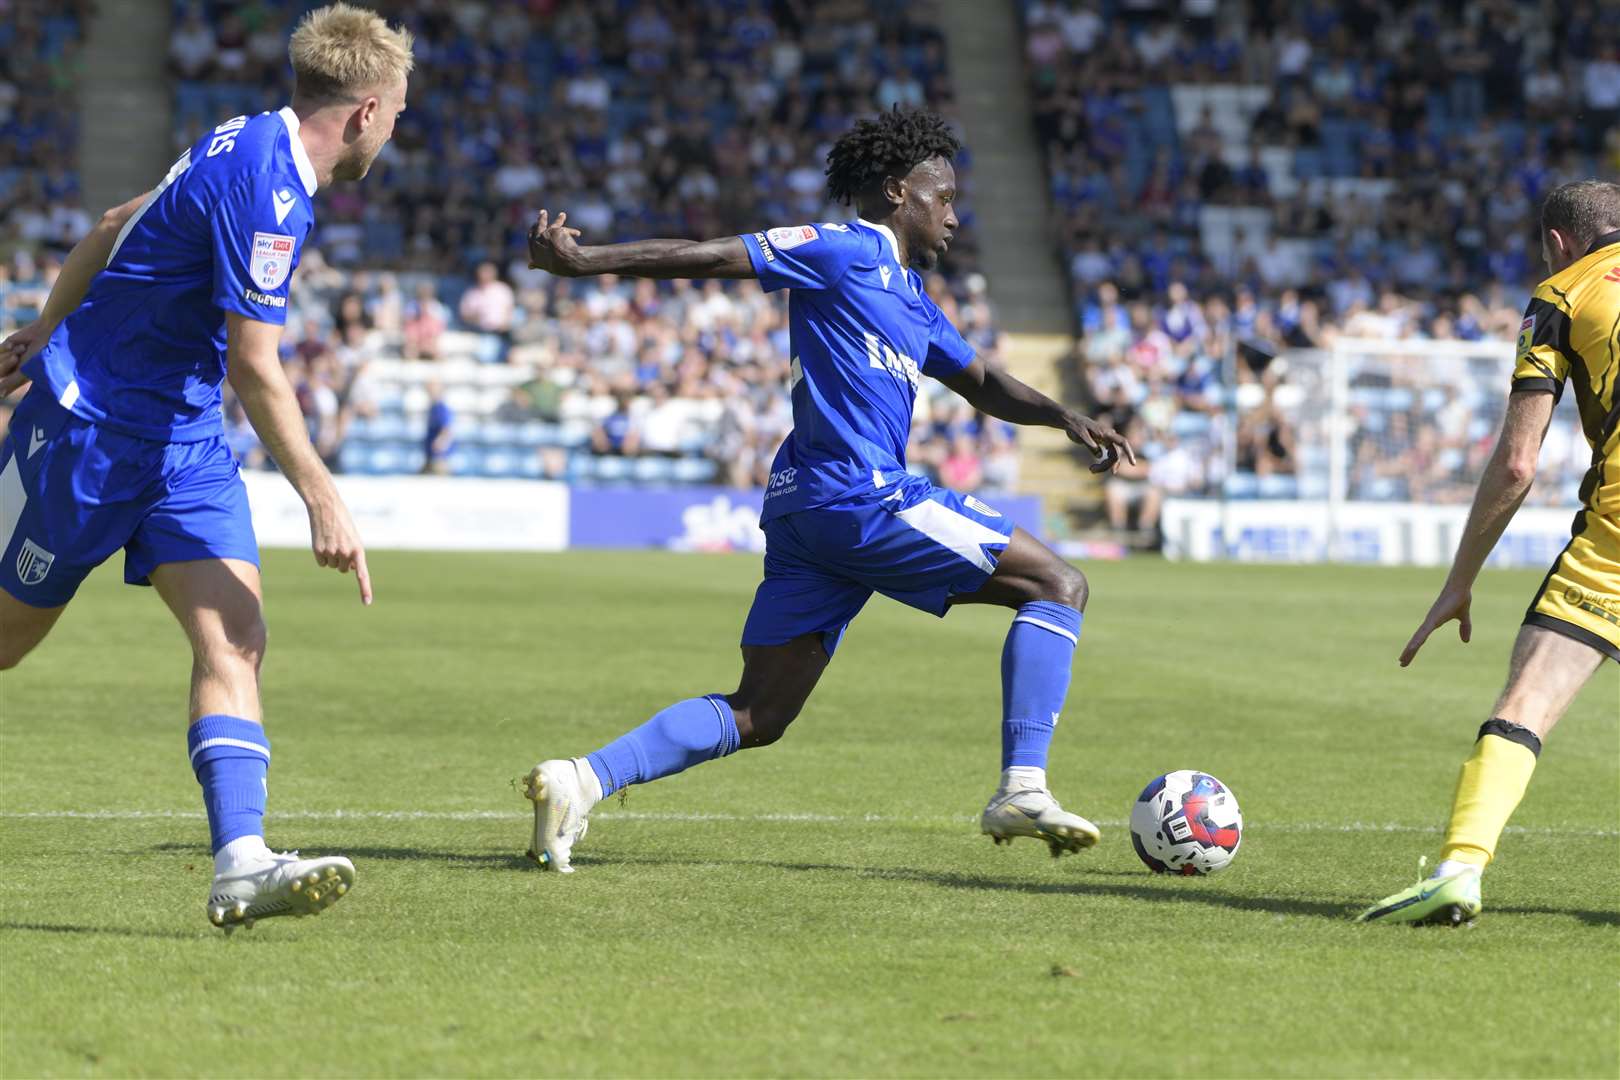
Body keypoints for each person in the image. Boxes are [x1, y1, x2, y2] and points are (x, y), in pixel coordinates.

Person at [520, 107, 1134, 873]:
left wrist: (1063, 416)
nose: (953, 214)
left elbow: (983, 382)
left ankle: (580, 781)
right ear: (895, 192)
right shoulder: (841, 250)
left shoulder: (911, 299)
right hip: (859, 494)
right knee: (1057, 583)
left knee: (760, 711)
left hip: (806, 513)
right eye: (941, 197)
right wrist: (587, 263)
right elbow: (716, 257)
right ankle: (1022, 785)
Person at [0, 3, 413, 931]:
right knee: (4, 644)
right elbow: (255, 364)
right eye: (395, 112)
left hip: (184, 448)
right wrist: (324, 496)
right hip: (89, 436)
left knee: (236, 637)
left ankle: (239, 862)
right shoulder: (270, 189)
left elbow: (114, 221)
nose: (394, 129)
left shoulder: (239, 134)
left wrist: (40, 322)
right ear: (365, 113)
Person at [1360, 180, 1620, 925]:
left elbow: (1516, 463)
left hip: (1615, 542)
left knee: (1527, 702)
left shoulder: (1561, 296)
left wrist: (1459, 581)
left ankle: (1460, 870)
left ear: (1559, 242)